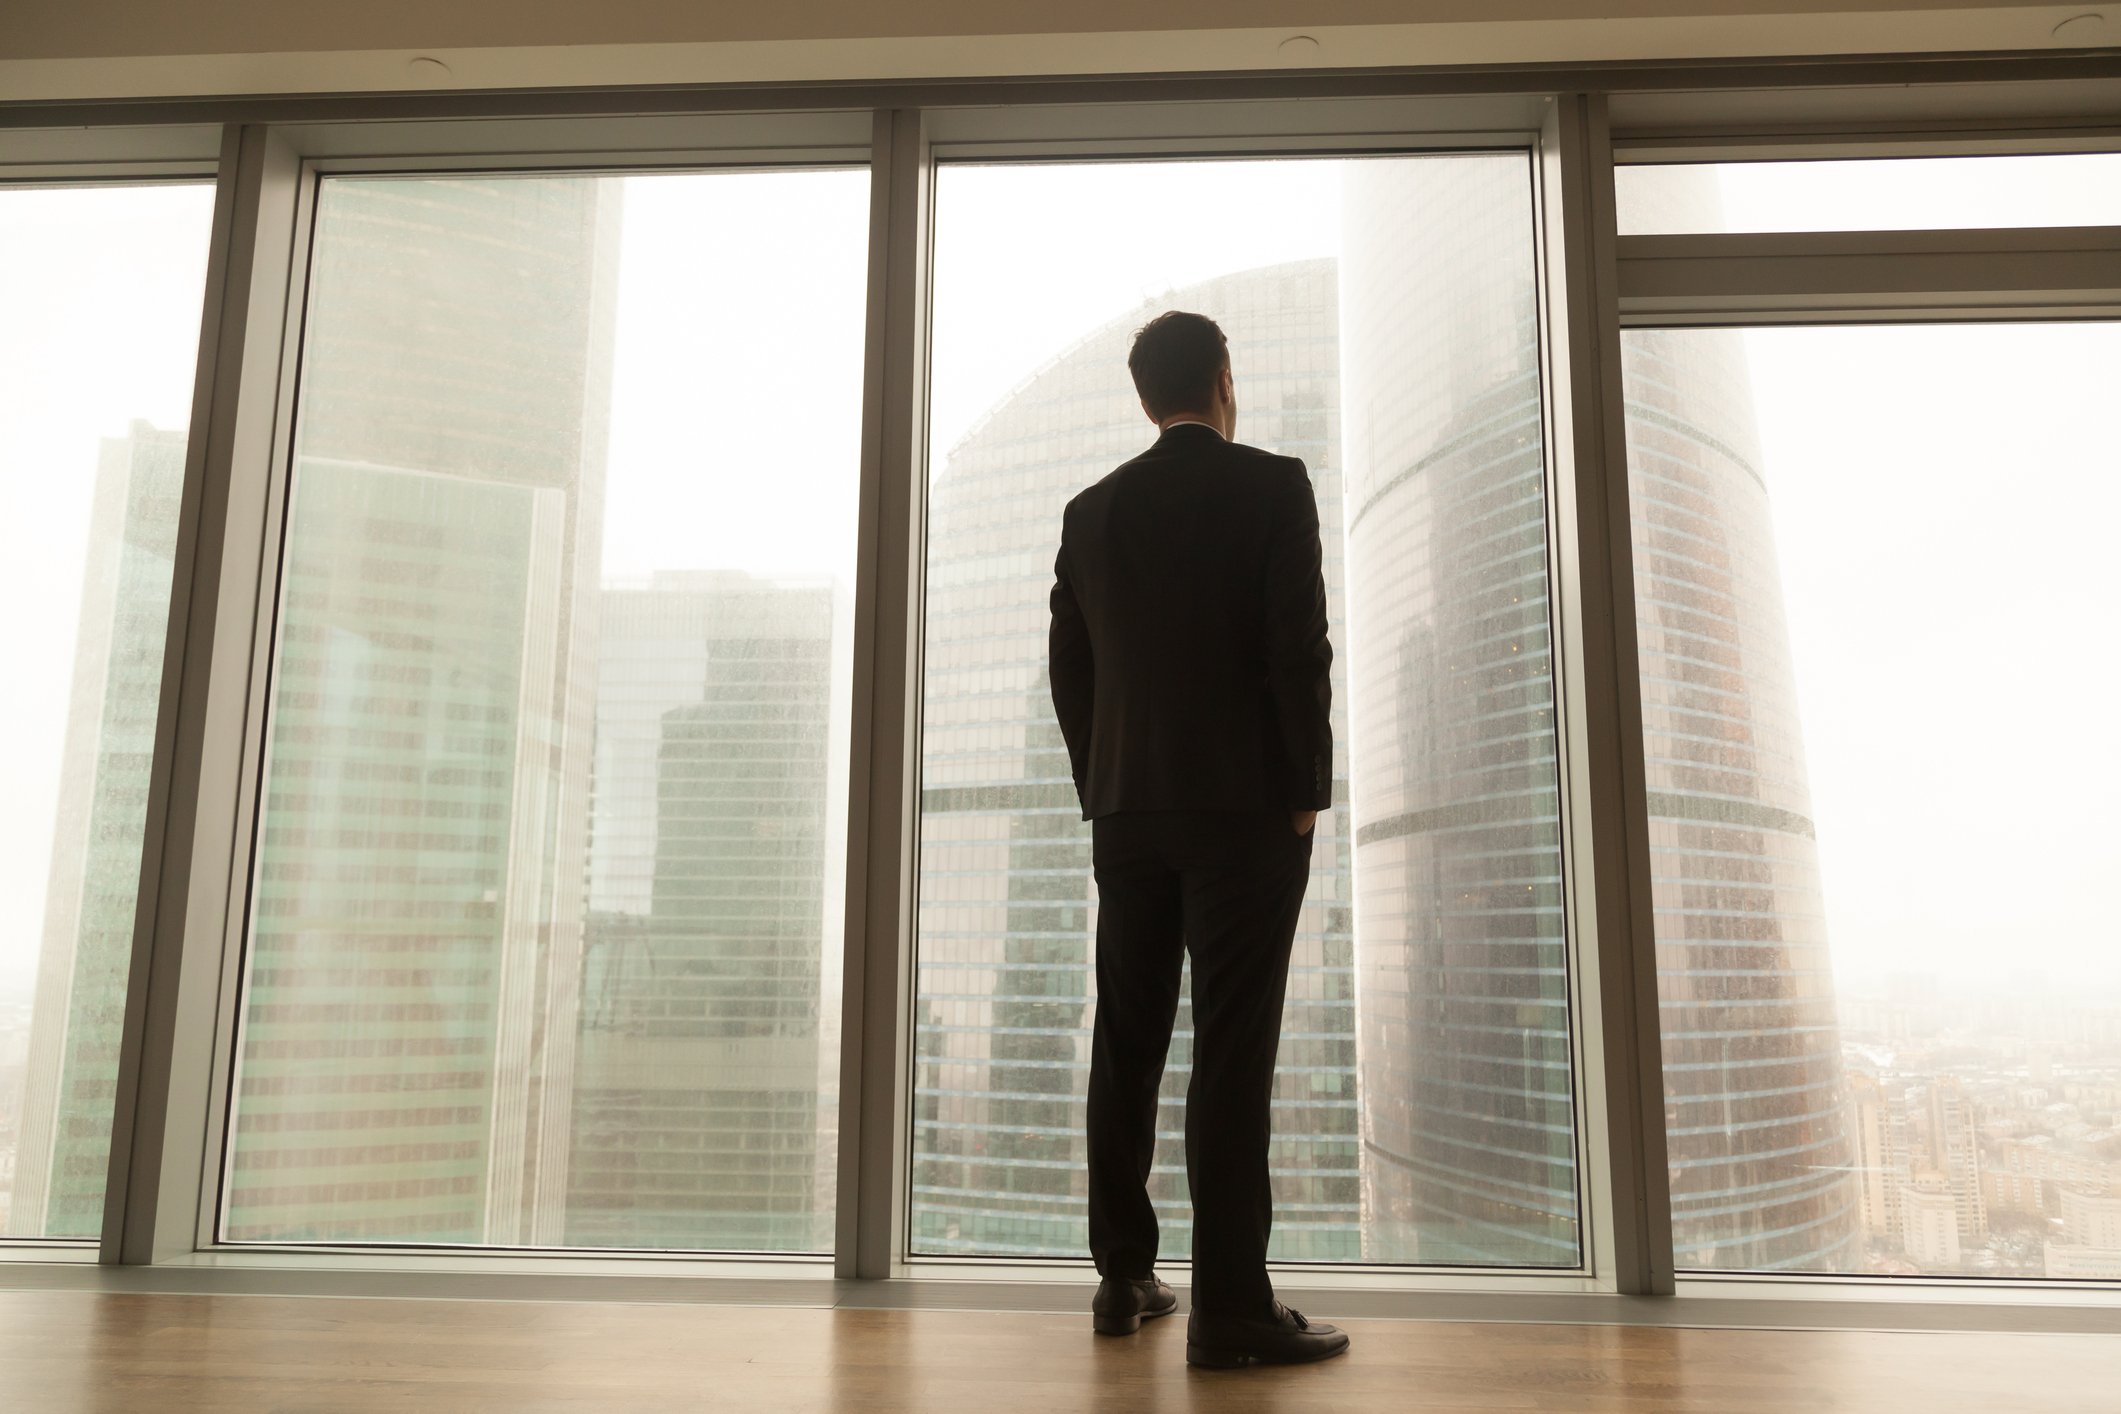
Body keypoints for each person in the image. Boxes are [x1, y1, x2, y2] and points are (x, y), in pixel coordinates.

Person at [1048, 310, 1348, 1369]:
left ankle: (1124, 1274)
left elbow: (1072, 670)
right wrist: (1306, 791)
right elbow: (1296, 649)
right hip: (1246, 814)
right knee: (1231, 1049)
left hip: (1129, 812)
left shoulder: (1091, 514)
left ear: (1145, 398)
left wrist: (1106, 784)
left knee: (1126, 1040)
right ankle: (1230, 1308)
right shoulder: (1274, 487)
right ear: (1227, 378)